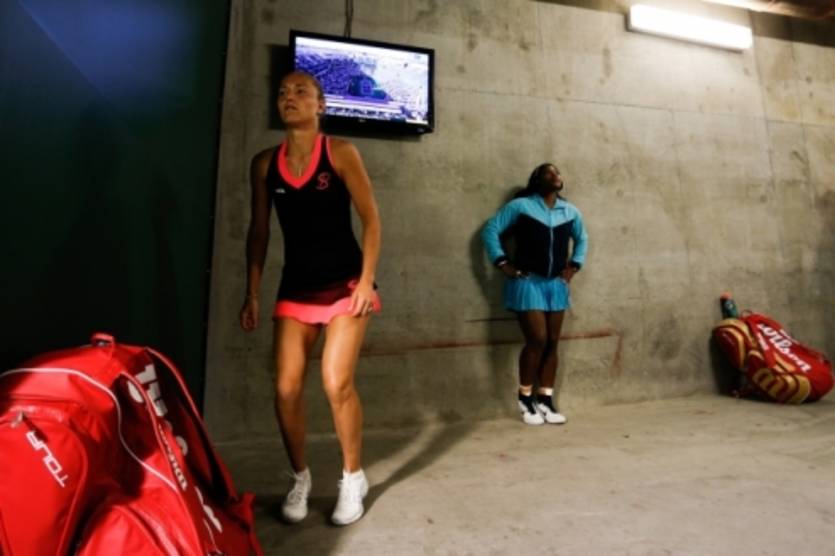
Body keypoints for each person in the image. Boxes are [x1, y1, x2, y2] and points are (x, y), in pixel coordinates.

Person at [239, 71, 381, 525]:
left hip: (345, 285)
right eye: (283, 91)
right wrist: (252, 293)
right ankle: (300, 478)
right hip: (296, 287)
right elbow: (259, 232)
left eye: (301, 91)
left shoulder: (340, 152)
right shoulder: (264, 164)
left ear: (321, 105)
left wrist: (366, 282)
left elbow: (372, 220)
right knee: (285, 389)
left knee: (336, 382)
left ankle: (353, 477)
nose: (289, 96)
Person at [481, 163, 588, 426]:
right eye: (549, 172)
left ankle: (545, 400)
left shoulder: (570, 211)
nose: (556, 175)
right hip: (528, 282)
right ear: (537, 180)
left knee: (552, 342)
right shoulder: (521, 206)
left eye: (558, 172)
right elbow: (490, 230)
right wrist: (503, 263)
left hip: (556, 284)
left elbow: (582, 239)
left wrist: (574, 266)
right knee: (537, 339)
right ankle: (525, 398)